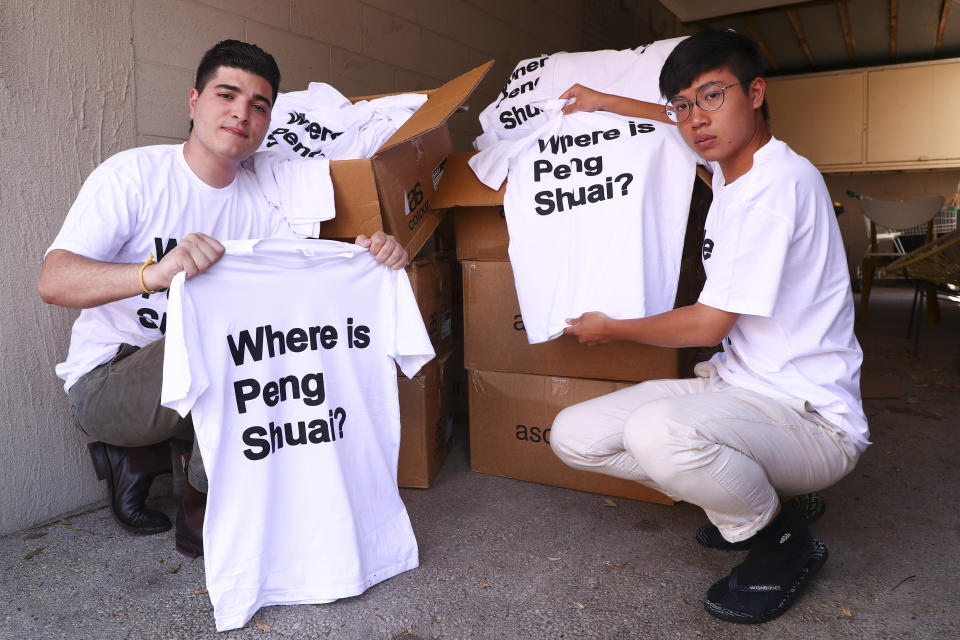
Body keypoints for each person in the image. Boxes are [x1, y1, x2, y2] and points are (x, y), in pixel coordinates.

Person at [37, 40, 408, 557]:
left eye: (259, 105)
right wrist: (156, 272)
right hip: (109, 382)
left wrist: (370, 256)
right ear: (194, 102)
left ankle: (173, 469)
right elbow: (54, 281)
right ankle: (199, 510)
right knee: (231, 344)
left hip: (199, 379)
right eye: (226, 94)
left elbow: (307, 296)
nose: (242, 113)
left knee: (279, 345)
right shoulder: (134, 175)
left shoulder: (266, 205)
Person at [551, 29, 868, 624]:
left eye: (712, 96)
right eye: (683, 104)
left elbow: (708, 323)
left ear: (755, 92)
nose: (696, 119)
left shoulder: (775, 187)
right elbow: (687, 126)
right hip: (737, 389)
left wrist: (611, 328)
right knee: (574, 435)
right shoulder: (732, 166)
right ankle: (754, 499)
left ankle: (782, 542)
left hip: (812, 419)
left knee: (658, 431)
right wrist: (607, 102)